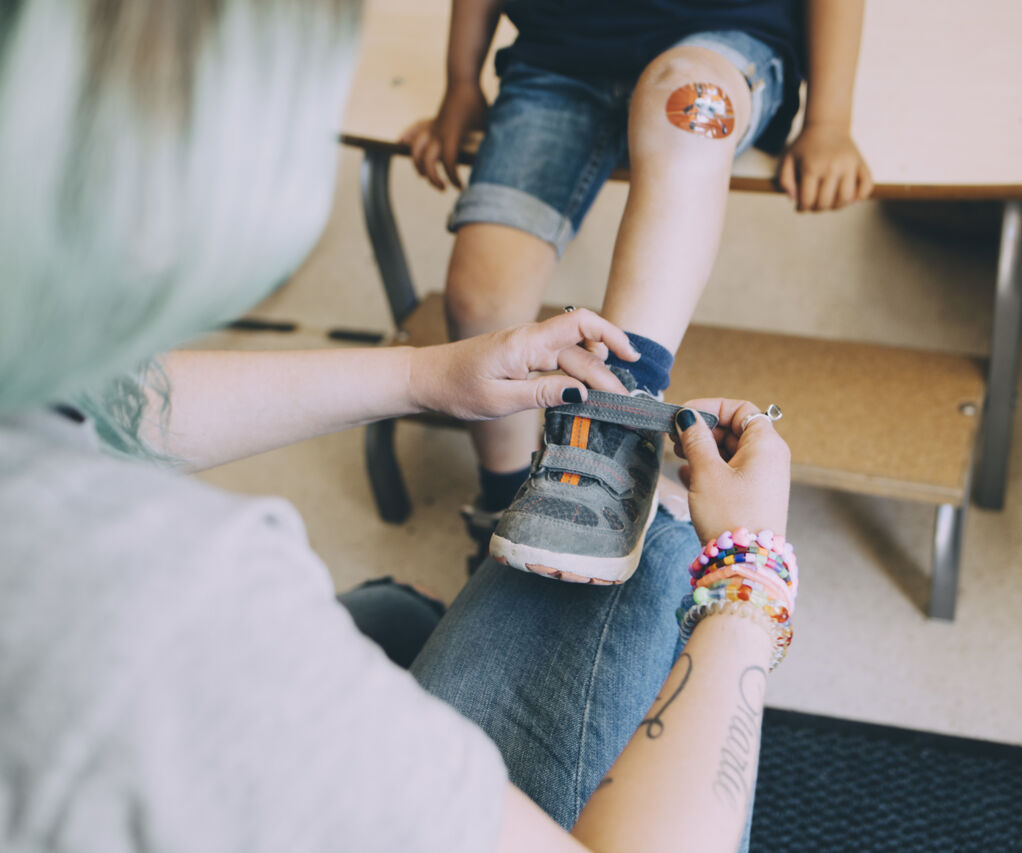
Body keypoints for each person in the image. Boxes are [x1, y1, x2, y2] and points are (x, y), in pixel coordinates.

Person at [0, 2, 798, 851]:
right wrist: (750, 576)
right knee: (667, 542)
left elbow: (97, 411)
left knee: (395, 618)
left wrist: (425, 376)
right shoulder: (183, 604)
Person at [401, 0, 871, 583]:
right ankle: (503, 498)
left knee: (686, 97)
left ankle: (615, 427)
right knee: (479, 303)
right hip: (558, 60)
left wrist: (828, 121)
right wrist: (462, 82)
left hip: (718, 43)